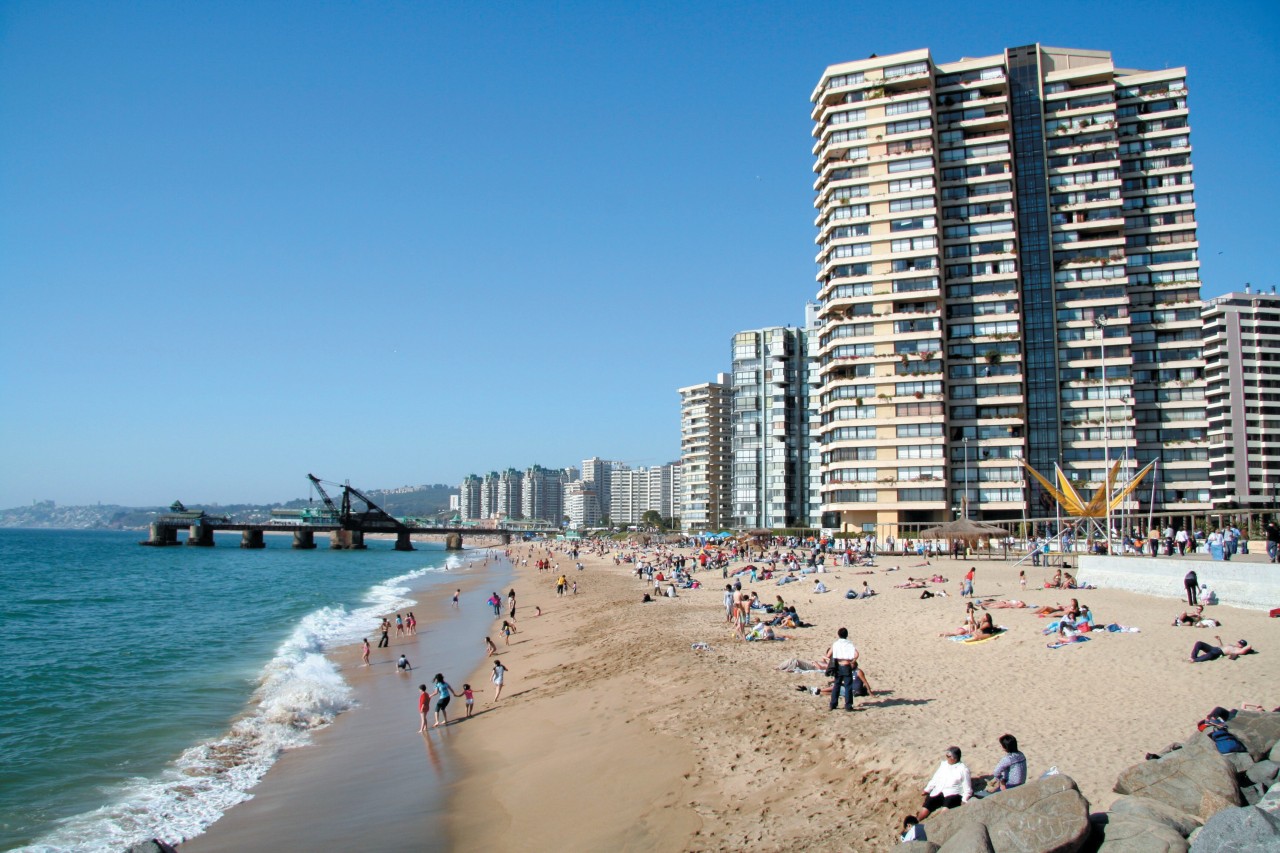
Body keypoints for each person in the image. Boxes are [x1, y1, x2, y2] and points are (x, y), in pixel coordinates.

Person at [917, 746, 972, 820]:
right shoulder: (944, 765)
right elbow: (935, 778)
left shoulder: (963, 770)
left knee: (944, 811)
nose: (946, 758)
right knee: (927, 806)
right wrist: (928, 789)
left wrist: (964, 800)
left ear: (955, 758)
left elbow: (967, 789)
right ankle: (916, 821)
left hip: (953, 793)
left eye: (948, 756)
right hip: (939, 791)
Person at [827, 627, 859, 712]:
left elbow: (828, 654)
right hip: (846, 665)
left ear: (838, 634)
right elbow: (856, 654)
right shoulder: (849, 644)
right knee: (848, 686)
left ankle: (833, 704)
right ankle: (848, 705)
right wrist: (853, 660)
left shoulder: (836, 643)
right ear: (846, 635)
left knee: (836, 685)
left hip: (838, 665)